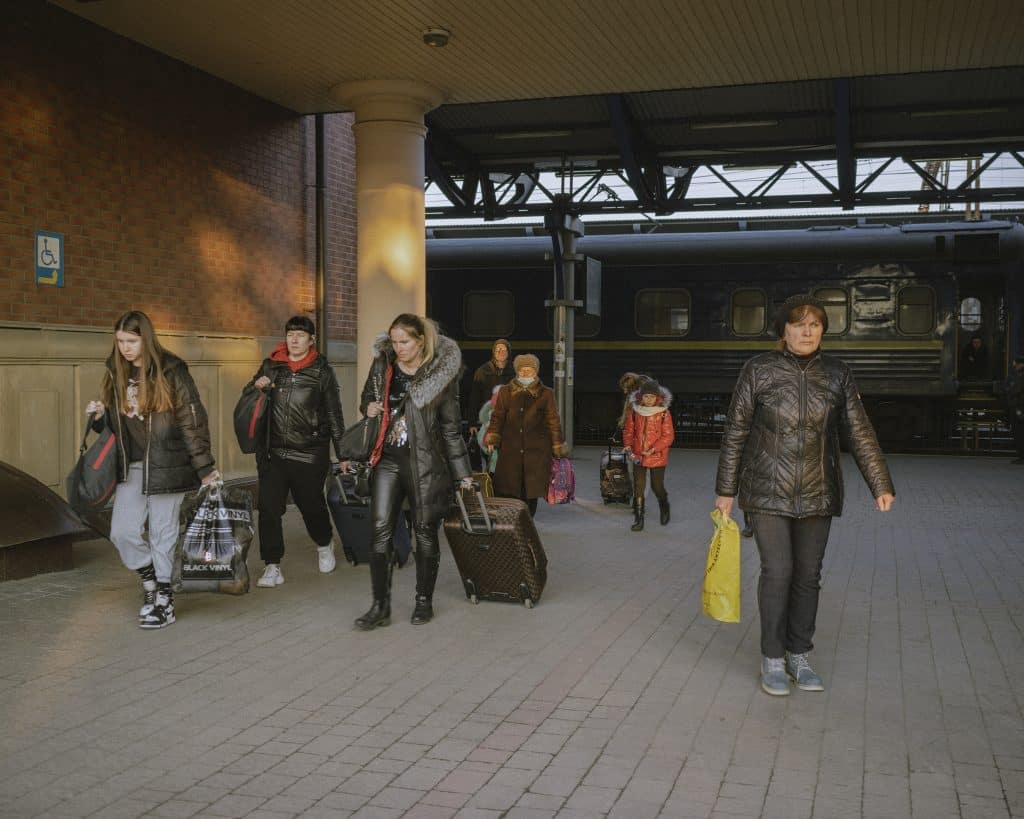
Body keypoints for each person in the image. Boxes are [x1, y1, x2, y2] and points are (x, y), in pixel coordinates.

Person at [715, 294, 895, 697]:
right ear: (784, 330)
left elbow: (859, 430)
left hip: (817, 488)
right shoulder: (758, 370)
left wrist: (880, 482)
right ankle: (773, 658)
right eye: (799, 324)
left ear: (823, 331)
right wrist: (725, 490)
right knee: (778, 572)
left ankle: (799, 654)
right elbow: (736, 433)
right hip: (765, 488)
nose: (807, 331)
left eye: (815, 324)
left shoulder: (836, 374)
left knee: (808, 576)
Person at [85, 310, 219, 629]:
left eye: (131, 341)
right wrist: (101, 416)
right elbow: (117, 427)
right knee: (122, 531)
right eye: (120, 341)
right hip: (131, 465)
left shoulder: (172, 371)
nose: (125, 348)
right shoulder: (116, 371)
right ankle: (152, 582)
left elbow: (192, 421)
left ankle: (164, 602)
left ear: (146, 338)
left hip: (167, 463)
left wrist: (205, 468)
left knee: (162, 534)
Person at [354, 314, 474, 629]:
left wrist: (464, 475)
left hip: (425, 464)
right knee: (379, 531)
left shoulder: (440, 375)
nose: (398, 348)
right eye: (393, 342)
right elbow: (368, 398)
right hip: (388, 461)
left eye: (404, 342)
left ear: (420, 340)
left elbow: (450, 429)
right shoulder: (383, 365)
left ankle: (424, 601)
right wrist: (368, 406)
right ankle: (379, 606)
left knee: (424, 532)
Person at [247, 316, 346, 588]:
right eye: (290, 333)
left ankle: (324, 544)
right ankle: (272, 566)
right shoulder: (271, 365)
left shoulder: (321, 371)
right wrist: (257, 387)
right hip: (273, 451)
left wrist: (344, 454)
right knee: (268, 509)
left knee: (311, 506)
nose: (294, 339)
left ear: (311, 340)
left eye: (301, 335)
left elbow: (334, 414)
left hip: (309, 452)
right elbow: (251, 399)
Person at [484, 353, 568, 517]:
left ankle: (527, 520)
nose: (525, 373)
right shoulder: (506, 392)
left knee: (530, 489)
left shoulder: (546, 393)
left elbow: (553, 421)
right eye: (522, 370)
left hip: (536, 450)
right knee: (509, 486)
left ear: (535, 371)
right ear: (517, 371)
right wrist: (493, 436)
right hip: (510, 448)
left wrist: (557, 445)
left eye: (529, 370)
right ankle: (513, 517)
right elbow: (498, 416)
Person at [622, 378, 675, 531]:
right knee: (639, 486)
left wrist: (653, 449)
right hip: (638, 455)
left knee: (656, 486)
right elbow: (628, 431)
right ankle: (639, 519)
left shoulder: (663, 413)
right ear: (641, 396)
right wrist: (628, 445)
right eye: (646, 396)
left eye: (652, 396)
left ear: (657, 397)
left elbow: (668, 436)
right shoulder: (635, 411)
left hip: (657, 456)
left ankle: (664, 505)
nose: (649, 400)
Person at [1002, 355, 1024, 464]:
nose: (1014, 367)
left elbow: (1014, 390)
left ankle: (1022, 456)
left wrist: (1009, 388)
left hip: (1019, 408)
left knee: (1019, 432)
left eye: (1016, 364)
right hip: (1019, 407)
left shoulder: (1020, 376)